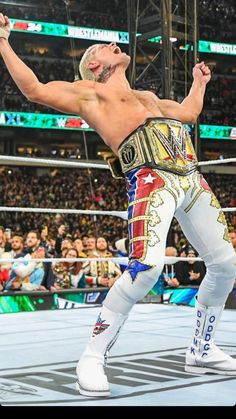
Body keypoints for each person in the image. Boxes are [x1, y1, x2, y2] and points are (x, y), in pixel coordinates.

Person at [0, 13, 235, 397]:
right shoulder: (89, 93)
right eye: (106, 47)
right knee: (146, 268)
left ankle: (202, 349)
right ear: (94, 64)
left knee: (225, 264)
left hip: (190, 177)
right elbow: (34, 89)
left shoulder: (149, 98)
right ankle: (92, 356)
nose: (115, 45)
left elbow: (190, 113)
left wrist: (199, 82)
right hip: (150, 177)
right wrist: (3, 42)